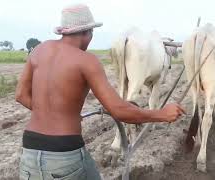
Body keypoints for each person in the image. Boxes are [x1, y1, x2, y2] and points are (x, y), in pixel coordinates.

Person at [16, 4, 185, 180]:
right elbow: (119, 110)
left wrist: (54, 114)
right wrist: (161, 114)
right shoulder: (86, 61)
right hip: (65, 154)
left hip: (29, 150)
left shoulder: (39, 51)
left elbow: (20, 95)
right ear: (87, 32)